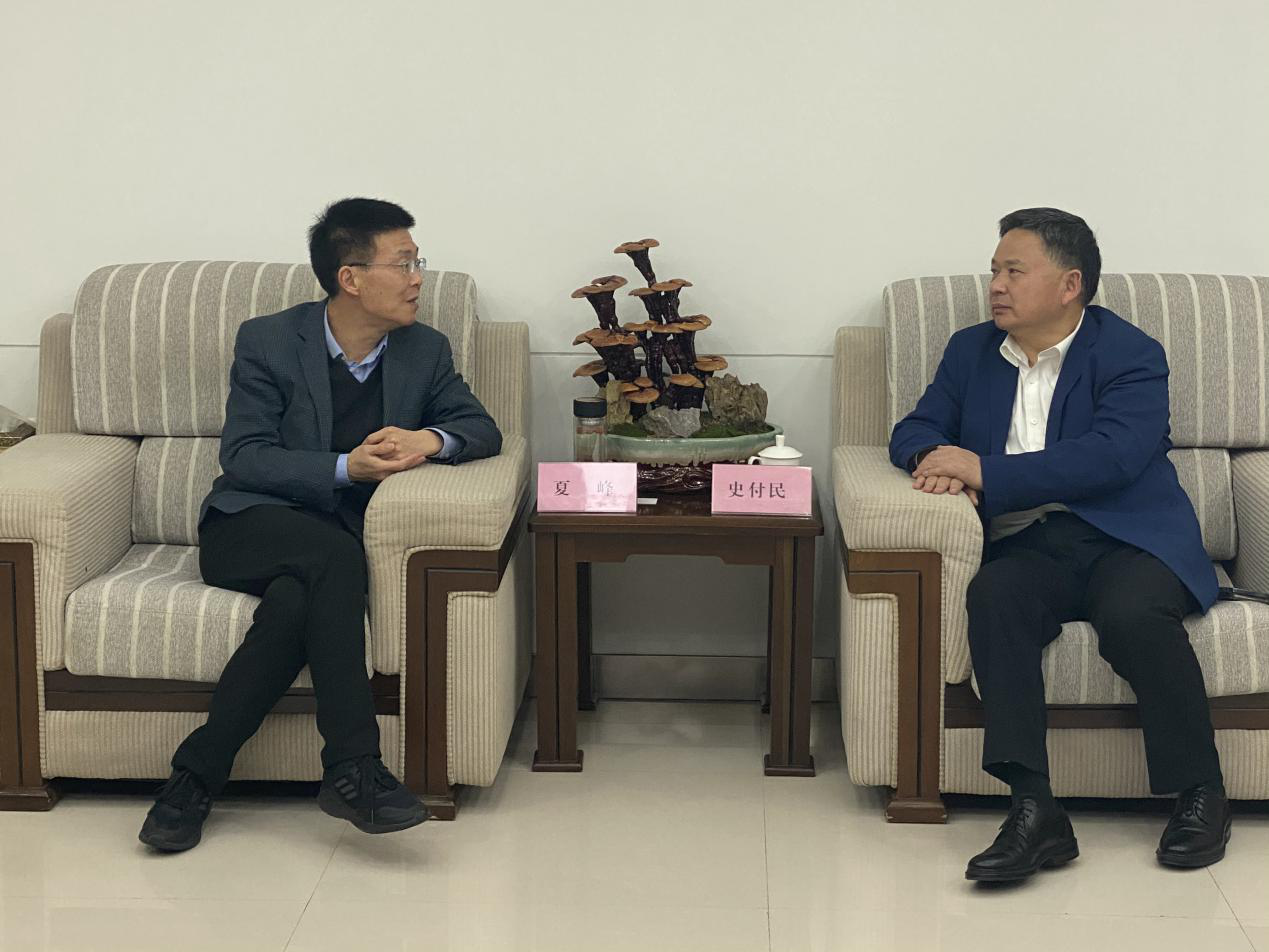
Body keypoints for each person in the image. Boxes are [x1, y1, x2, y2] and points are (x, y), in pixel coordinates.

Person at [139, 197, 502, 852]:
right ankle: (353, 767)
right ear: (350, 277)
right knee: (333, 558)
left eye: (417, 262)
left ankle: (193, 777)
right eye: (404, 263)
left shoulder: (423, 350)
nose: (418, 278)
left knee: (294, 603)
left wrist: (428, 439)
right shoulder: (270, 340)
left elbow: (480, 429)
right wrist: (344, 468)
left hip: (327, 550)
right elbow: (244, 457)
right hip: (248, 526)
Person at [890, 207, 1230, 883]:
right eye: (994, 270)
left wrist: (982, 470)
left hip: (1128, 535)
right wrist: (934, 457)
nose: (995, 285)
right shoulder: (970, 351)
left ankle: (1200, 792)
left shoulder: (1130, 353)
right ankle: (1034, 807)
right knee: (994, 596)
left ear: (1070, 284)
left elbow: (1112, 457)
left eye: (1014, 271)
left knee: (1133, 614)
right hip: (1031, 542)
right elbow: (914, 427)